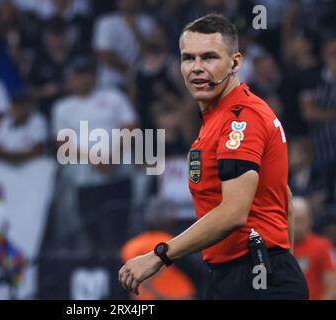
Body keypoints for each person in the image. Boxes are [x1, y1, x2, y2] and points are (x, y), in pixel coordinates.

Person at [118, 14, 309, 300]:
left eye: (208, 57)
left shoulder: (240, 119)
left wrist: (159, 255)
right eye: (188, 58)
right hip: (239, 275)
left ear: (235, 62)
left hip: (254, 276)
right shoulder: (216, 120)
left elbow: (233, 212)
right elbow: (285, 201)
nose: (196, 68)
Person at [292, 197, 336, 300]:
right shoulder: (279, 248)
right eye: (294, 220)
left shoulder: (322, 246)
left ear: (310, 220)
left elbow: (332, 286)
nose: (298, 226)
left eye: (301, 220)